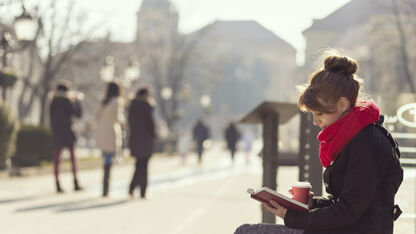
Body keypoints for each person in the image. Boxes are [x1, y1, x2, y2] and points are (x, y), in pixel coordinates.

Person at [234, 53, 403, 234]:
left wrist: (292, 217)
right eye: (312, 114)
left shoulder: (368, 143)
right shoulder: (353, 138)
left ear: (342, 104)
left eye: (320, 114)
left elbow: (348, 212)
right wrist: (312, 203)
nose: (315, 121)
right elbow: (347, 203)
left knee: (246, 232)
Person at [49, 80, 83, 193]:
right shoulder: (68, 101)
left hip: (57, 133)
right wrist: (77, 101)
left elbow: (51, 119)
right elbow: (78, 114)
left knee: (57, 160)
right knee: (73, 159)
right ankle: (75, 182)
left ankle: (57, 184)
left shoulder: (53, 102)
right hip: (68, 133)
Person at [95, 81, 124, 197]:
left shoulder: (102, 101)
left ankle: (104, 186)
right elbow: (116, 118)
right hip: (111, 133)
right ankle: (106, 187)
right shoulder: (116, 102)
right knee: (108, 161)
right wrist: (124, 123)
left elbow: (96, 117)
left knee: (105, 160)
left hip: (101, 133)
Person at [128, 87, 156, 198]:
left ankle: (132, 188)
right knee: (144, 166)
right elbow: (150, 124)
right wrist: (153, 135)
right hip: (146, 140)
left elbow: (130, 123)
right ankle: (142, 191)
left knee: (138, 165)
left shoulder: (132, 106)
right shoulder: (147, 106)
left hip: (135, 139)